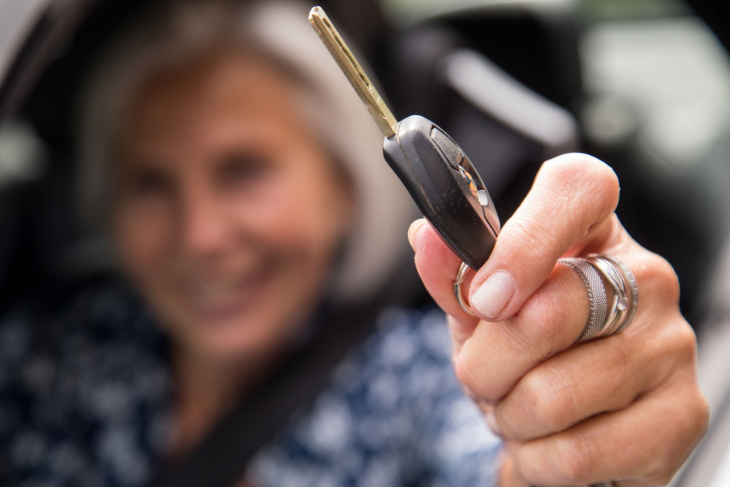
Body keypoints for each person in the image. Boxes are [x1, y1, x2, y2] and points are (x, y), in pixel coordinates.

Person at [0, 1, 708, 486]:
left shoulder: (424, 374)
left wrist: (578, 444)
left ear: (342, 185)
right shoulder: (47, 348)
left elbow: (499, 454)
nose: (201, 235)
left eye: (243, 169)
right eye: (149, 183)